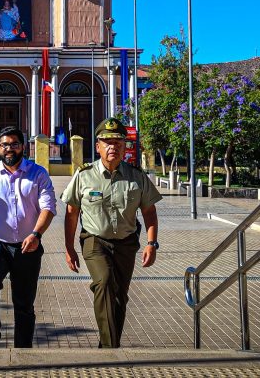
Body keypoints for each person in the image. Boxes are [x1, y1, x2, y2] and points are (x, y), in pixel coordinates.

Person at [61, 117, 161, 348]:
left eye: (118, 142)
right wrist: (69, 248)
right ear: (98, 147)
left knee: (119, 297)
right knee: (104, 283)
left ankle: (108, 342)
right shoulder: (84, 175)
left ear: (125, 147)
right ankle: (110, 348)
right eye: (107, 142)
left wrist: (151, 243)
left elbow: (149, 213)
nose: (112, 146)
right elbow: (71, 213)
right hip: (95, 241)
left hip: (126, 243)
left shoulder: (136, 176)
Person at [0, 126, 56, 348]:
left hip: (29, 244)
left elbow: (49, 207)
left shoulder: (38, 173)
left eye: (14, 144)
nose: (9, 149)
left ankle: (23, 346)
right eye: (5, 144)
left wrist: (36, 234)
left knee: (24, 301)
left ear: (22, 146)